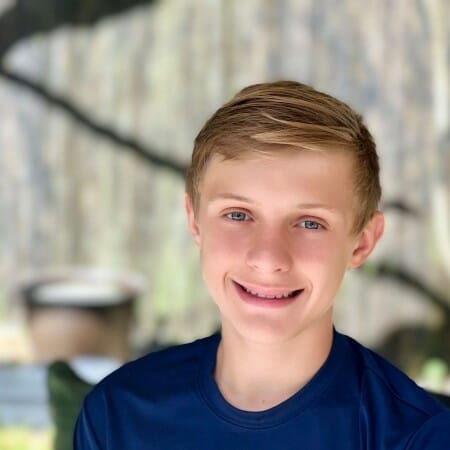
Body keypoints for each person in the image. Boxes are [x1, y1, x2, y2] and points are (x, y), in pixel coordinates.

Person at [74, 81, 450, 449]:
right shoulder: (117, 416)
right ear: (194, 221)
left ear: (363, 241)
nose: (268, 259)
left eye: (310, 223)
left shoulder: (416, 435)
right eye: (238, 215)